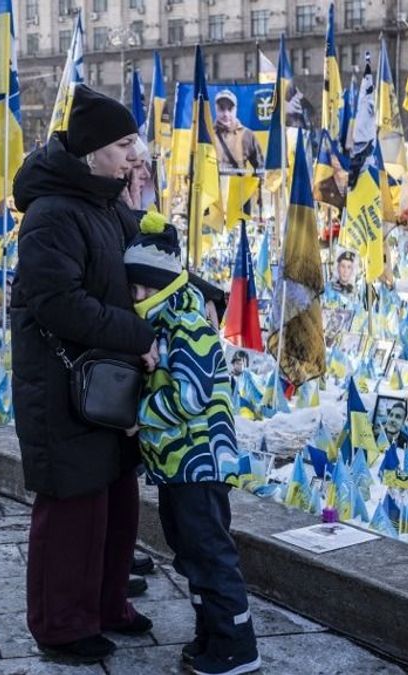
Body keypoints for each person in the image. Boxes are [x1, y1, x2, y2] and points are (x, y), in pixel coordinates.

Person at [10, 84, 159, 663]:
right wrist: (137, 335)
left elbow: (134, 268)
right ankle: (61, 625)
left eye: (134, 143)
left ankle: (106, 603)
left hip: (105, 385)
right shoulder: (52, 213)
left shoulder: (104, 203)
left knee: (115, 504)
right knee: (73, 509)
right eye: (124, 143)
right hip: (62, 386)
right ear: (93, 149)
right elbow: (59, 303)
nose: (134, 154)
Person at [125, 216, 260, 675]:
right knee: (191, 555)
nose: (135, 299)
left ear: (160, 285)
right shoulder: (166, 324)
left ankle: (236, 644)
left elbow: (191, 395)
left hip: (199, 465)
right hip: (178, 467)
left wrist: (139, 416)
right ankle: (210, 631)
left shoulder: (189, 325)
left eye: (140, 290)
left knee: (210, 554)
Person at [213, 90, 263, 175]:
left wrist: (255, 187)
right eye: (221, 108)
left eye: (230, 109)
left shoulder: (247, 135)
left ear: (236, 110)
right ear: (215, 109)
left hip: (239, 187)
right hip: (211, 187)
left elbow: (260, 168)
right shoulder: (207, 135)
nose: (226, 114)